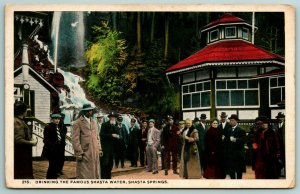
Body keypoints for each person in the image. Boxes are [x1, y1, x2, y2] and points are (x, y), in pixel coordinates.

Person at [72, 104, 102, 179]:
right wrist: (79, 152)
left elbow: (97, 137)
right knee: (84, 173)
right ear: (84, 112)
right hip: (85, 152)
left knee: (95, 172)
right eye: (88, 111)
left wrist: (99, 149)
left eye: (91, 110)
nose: (90, 112)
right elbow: (75, 139)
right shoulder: (78, 122)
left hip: (94, 151)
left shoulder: (94, 122)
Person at [14, 101, 38, 179]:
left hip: (21, 153)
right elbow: (18, 140)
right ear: (23, 112)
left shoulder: (19, 120)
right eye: (26, 110)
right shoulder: (17, 122)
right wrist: (31, 142)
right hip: (21, 153)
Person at [42, 113, 64, 179]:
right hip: (51, 150)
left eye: (58, 119)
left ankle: (54, 179)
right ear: (52, 120)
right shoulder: (48, 127)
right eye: (55, 119)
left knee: (56, 166)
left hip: (58, 150)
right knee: (52, 166)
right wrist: (53, 145)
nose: (57, 120)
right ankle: (49, 179)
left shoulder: (59, 127)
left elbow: (61, 137)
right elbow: (46, 140)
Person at [100, 111, 119, 179]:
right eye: (111, 117)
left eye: (114, 117)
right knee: (104, 164)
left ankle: (108, 178)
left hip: (113, 148)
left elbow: (118, 135)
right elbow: (101, 135)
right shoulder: (104, 124)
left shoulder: (116, 125)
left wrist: (118, 136)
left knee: (110, 164)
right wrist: (111, 135)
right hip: (105, 148)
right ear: (109, 118)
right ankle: (103, 178)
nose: (113, 118)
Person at [227, 114, 246, 179]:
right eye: (230, 120)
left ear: (236, 121)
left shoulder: (241, 130)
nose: (230, 122)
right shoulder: (229, 130)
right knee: (231, 172)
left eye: (232, 120)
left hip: (238, 154)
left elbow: (244, 140)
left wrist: (235, 140)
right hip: (231, 155)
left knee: (239, 172)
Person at [217, 112, 231, 178]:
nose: (223, 118)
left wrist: (225, 138)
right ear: (220, 118)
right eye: (222, 117)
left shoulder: (229, 125)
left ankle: (227, 171)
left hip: (227, 145)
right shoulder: (218, 126)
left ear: (226, 118)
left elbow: (230, 134)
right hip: (220, 145)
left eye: (224, 117)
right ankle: (222, 172)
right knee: (221, 158)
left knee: (227, 158)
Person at [272, 112, 285, 177]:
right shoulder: (275, 125)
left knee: (284, 159)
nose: (281, 119)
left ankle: (285, 173)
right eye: (279, 117)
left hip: (284, 145)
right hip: (277, 144)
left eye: (282, 117)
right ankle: (278, 173)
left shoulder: (286, 125)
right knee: (278, 159)